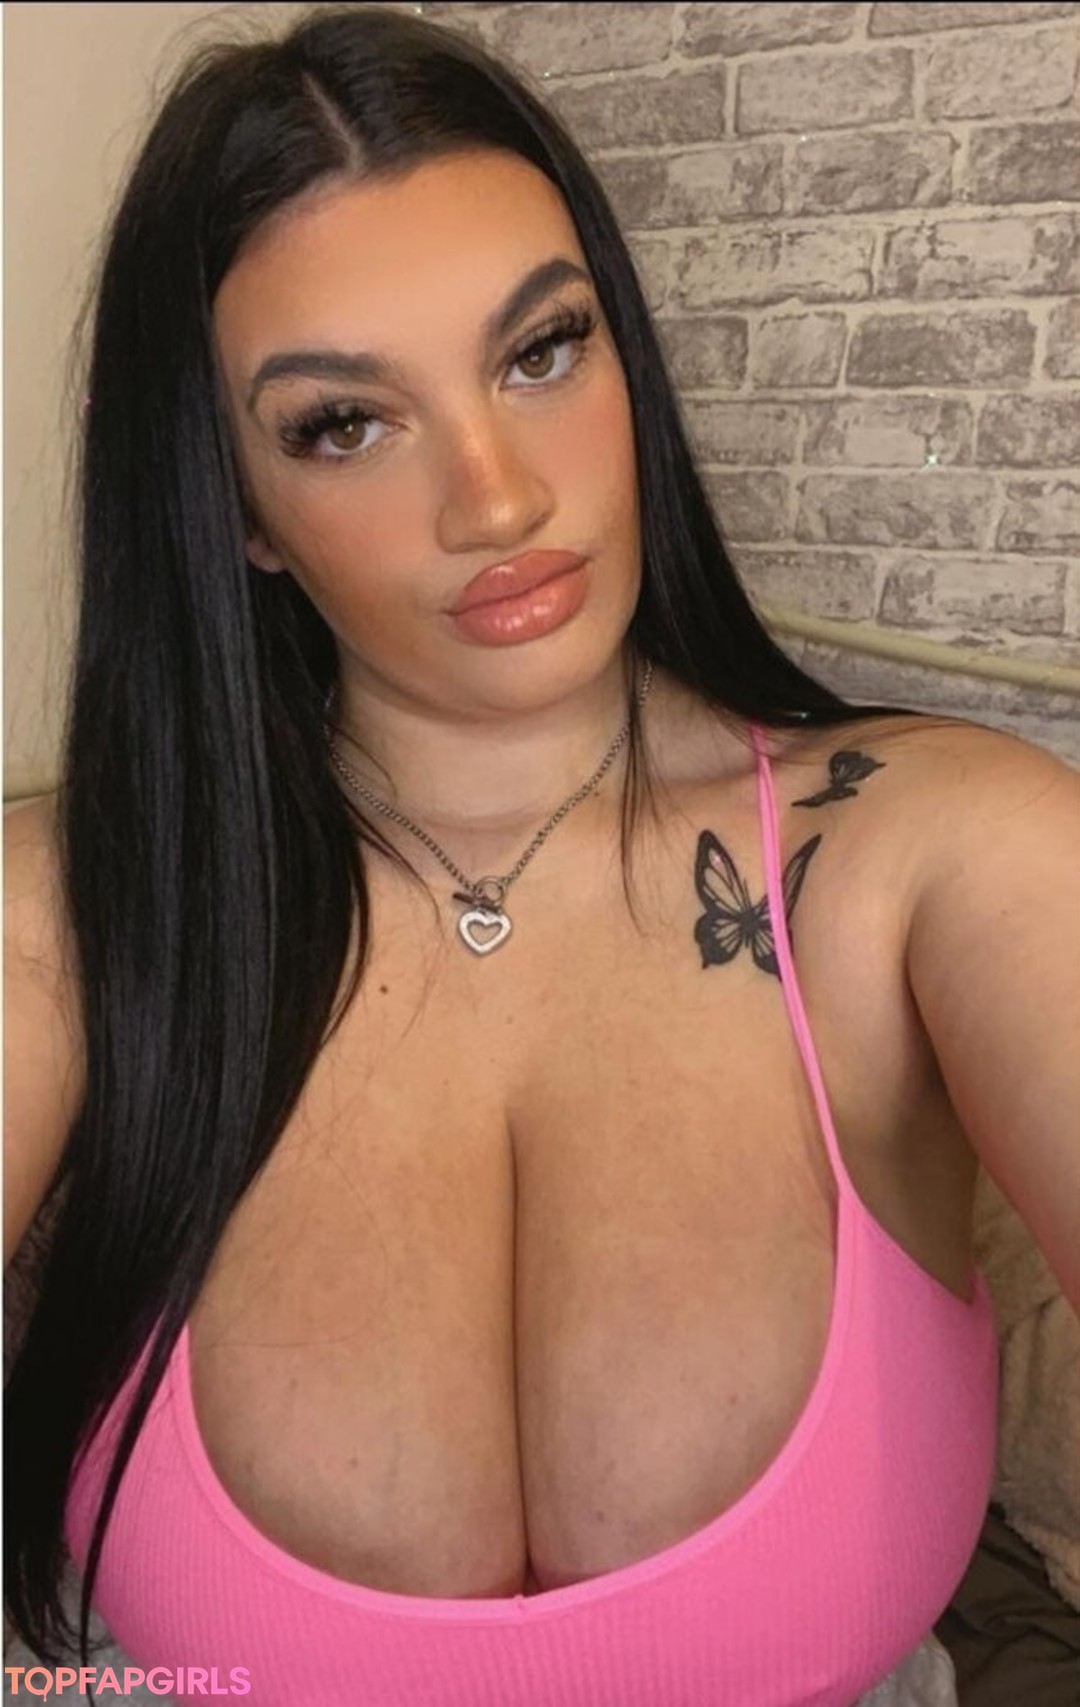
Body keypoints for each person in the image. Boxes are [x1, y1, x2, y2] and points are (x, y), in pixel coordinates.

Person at [4, 6, 1077, 1704]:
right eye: (343, 424)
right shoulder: (70, 917)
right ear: (238, 510)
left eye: (540, 351)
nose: (497, 500)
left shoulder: (935, 850)